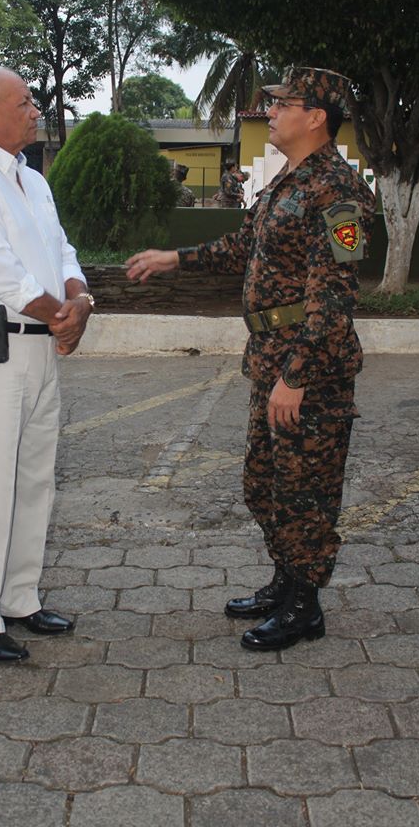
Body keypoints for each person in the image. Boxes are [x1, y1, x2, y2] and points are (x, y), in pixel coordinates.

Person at [126, 67, 375, 652]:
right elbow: (243, 247)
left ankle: (304, 608)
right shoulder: (286, 183)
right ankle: (285, 582)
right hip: (269, 359)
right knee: (264, 485)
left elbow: (335, 296)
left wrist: (297, 376)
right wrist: (175, 259)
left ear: (316, 117)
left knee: (304, 493)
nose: (273, 112)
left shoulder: (336, 192)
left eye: (284, 104)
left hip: (307, 370)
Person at [0, 67, 93, 664]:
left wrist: (78, 299)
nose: (35, 111)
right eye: (25, 103)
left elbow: (61, 250)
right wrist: (64, 315)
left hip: (39, 346)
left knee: (34, 479)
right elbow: (1, 270)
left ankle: (20, 598)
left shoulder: (31, 178)